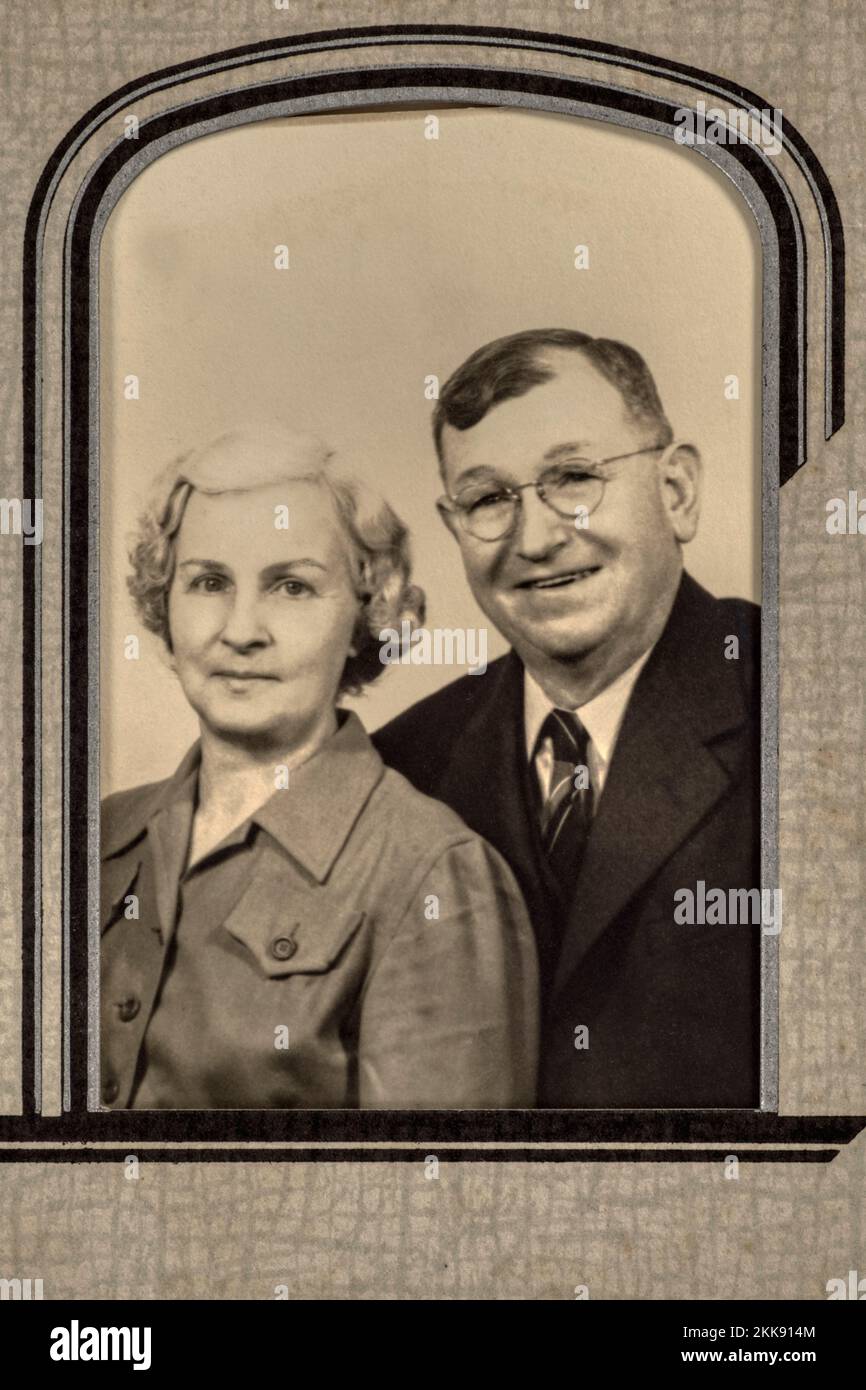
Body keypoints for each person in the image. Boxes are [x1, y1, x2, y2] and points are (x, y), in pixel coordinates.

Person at [374, 329, 761, 1108]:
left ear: (677, 490)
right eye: (489, 499)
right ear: (454, 530)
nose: (539, 537)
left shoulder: (816, 712)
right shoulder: (403, 767)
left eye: (574, 477)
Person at [100, 426, 539, 1110]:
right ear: (164, 602)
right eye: (209, 582)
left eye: (293, 587)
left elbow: (436, 1203)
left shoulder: (432, 872)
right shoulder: (93, 839)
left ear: (368, 615)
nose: (241, 629)